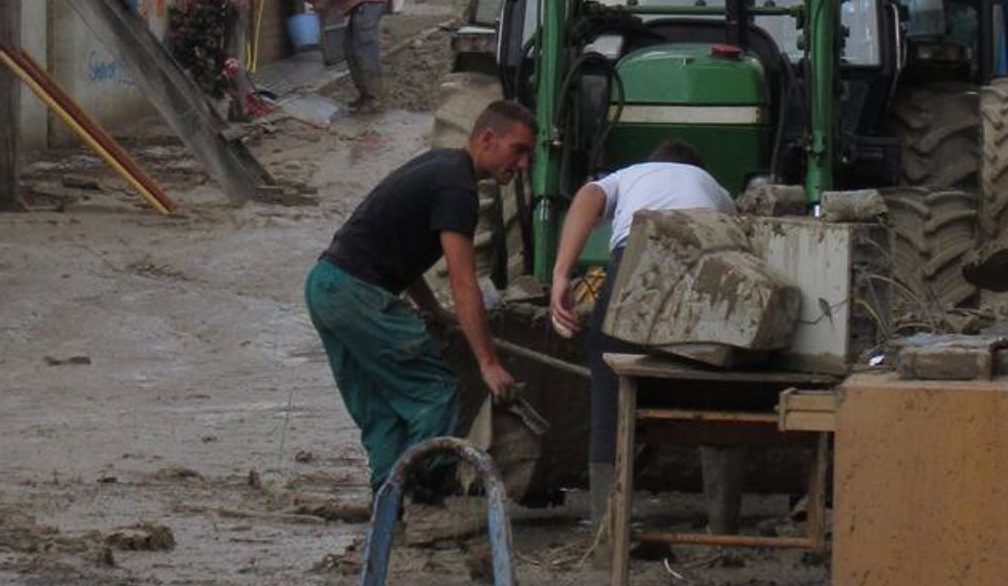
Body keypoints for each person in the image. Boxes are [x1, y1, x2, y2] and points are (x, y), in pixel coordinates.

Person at [304, 99, 537, 488]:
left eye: (529, 155)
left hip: (325, 287)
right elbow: (464, 283)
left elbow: (402, 247)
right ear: (487, 139)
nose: (524, 164)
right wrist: (488, 363)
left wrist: (432, 310)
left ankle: (388, 508)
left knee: (382, 416)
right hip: (357, 294)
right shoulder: (458, 189)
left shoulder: (440, 166)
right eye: (519, 150)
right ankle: (423, 498)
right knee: (436, 393)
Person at [548, 141, 736, 527]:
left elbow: (588, 196)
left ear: (653, 164)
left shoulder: (629, 175)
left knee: (609, 380)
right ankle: (723, 520)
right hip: (708, 262)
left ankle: (607, 521)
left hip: (637, 258)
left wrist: (561, 275)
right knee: (719, 384)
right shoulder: (712, 186)